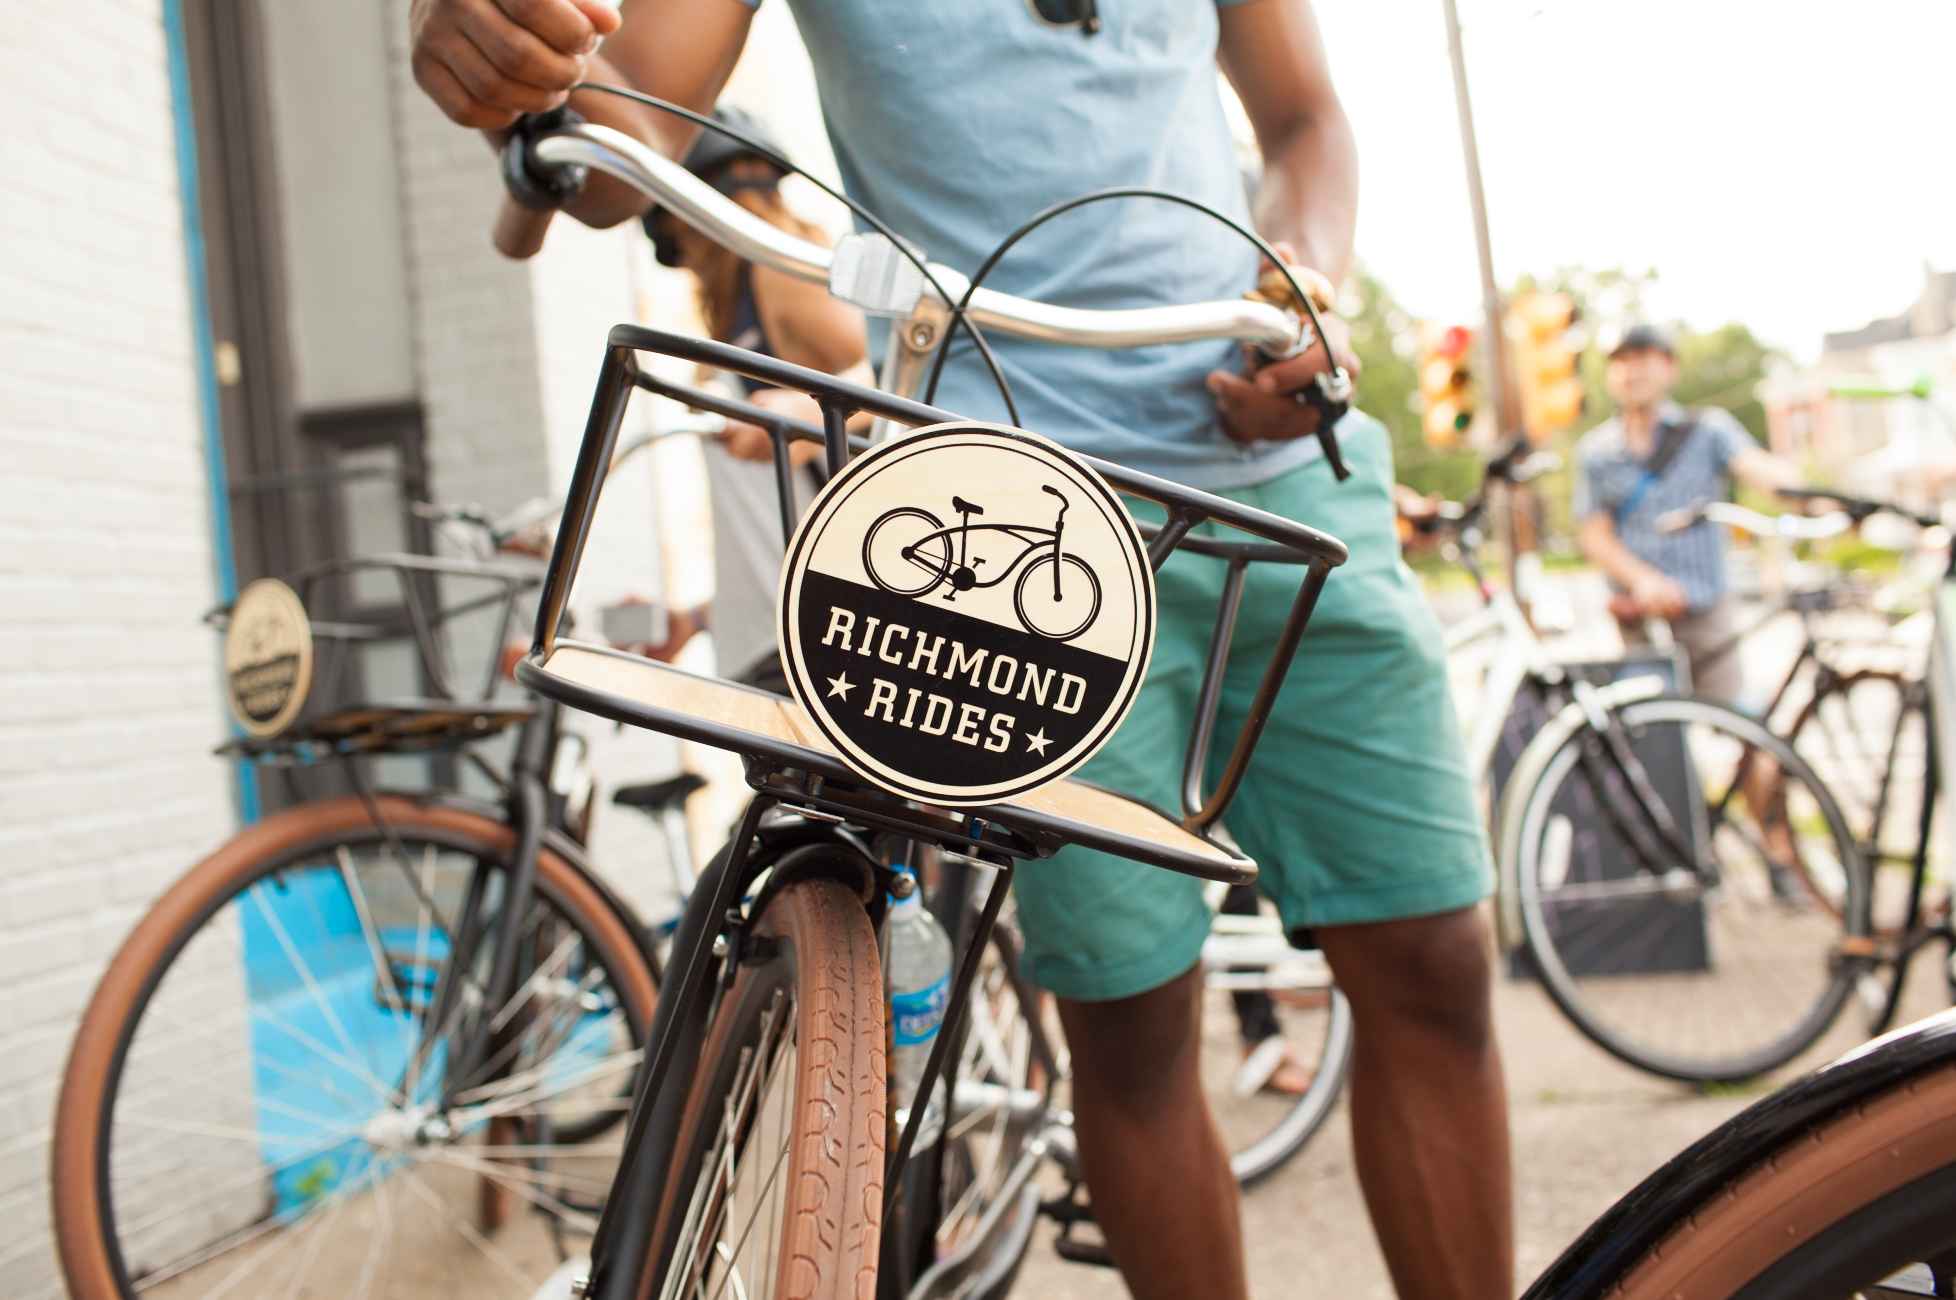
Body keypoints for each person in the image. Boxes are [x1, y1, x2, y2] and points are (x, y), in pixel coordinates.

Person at [408, 3, 1512, 1297]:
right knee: (1130, 1017)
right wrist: (522, 71)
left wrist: (1304, 279)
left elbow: (1305, 119)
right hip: (1006, 520)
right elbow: (629, 123)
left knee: (1434, 955)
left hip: (1276, 462)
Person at [644, 104, 872, 690]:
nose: (690, 260)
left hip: (825, 636)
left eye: (681, 238)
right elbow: (777, 522)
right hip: (786, 631)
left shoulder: (779, 273)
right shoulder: (743, 308)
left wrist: (812, 411)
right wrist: (697, 618)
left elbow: (900, 377)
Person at [1575, 323, 1802, 702]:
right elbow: (1595, 535)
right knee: (1651, 739)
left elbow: (1759, 469)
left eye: (1643, 359)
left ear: (1669, 367)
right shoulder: (1595, 452)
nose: (1632, 372)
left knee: (1740, 728)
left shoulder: (1707, 431)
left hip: (1703, 610)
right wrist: (1643, 581)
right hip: (1637, 616)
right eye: (1621, 362)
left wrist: (1815, 494)